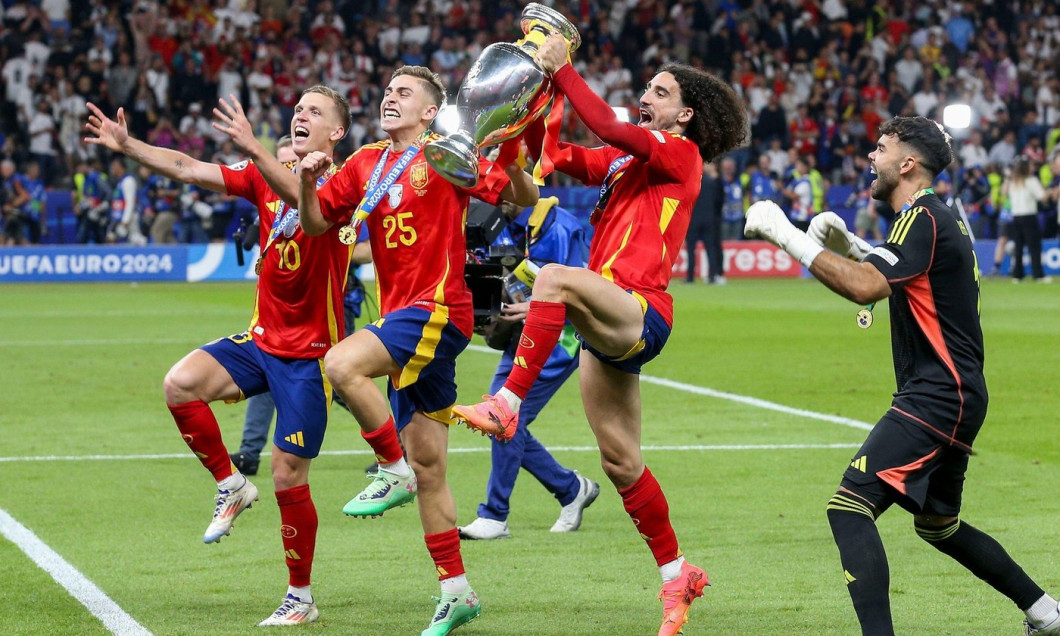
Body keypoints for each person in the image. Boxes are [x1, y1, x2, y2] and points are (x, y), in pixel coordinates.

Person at [454, 34, 746, 636]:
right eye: (645, 88)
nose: (644, 97)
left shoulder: (678, 154)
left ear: (685, 115)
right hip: (607, 321)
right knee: (620, 463)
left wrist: (564, 71)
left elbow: (611, 132)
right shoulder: (627, 164)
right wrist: (530, 104)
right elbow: (557, 153)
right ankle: (677, 575)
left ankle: (506, 405)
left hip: (642, 309)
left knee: (558, 277)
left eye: (658, 92)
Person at [743, 115, 1060, 636]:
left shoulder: (922, 218)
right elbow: (901, 276)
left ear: (907, 163)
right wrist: (850, 246)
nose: (871, 157)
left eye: (881, 148)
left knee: (848, 507)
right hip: (957, 392)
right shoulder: (935, 218)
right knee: (939, 526)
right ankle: (1046, 613)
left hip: (938, 393)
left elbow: (868, 287)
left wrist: (786, 234)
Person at [84, 85, 356, 626]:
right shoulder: (262, 175)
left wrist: (258, 151)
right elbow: (187, 167)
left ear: (337, 133)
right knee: (179, 384)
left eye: (315, 111)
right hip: (260, 342)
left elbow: (314, 217)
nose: (302, 114)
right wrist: (129, 144)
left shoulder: (344, 185)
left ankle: (300, 596)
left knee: (287, 477)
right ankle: (231, 483)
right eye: (298, 108)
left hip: (309, 357)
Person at [294, 65, 538, 636]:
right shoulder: (363, 163)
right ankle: (457, 592)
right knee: (431, 467)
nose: (390, 99)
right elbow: (315, 224)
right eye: (386, 92)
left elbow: (519, 199)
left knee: (340, 364)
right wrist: (307, 180)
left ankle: (388, 467)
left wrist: (520, 160)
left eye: (404, 94)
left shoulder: (447, 153)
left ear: (430, 111)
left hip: (436, 311)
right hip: (402, 319)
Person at [228, 135, 373, 477]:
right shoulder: (271, 196)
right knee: (266, 377)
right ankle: (250, 452)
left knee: (341, 382)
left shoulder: (335, 192)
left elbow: (364, 247)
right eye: (279, 166)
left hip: (331, 307)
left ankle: (392, 441)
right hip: (280, 318)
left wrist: (335, 250)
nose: (283, 172)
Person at [458, 196, 599, 541]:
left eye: (494, 189)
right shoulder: (495, 224)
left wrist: (536, 306)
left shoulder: (561, 226)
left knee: (504, 419)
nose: (486, 197)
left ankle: (494, 515)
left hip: (559, 341)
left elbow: (581, 290)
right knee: (501, 420)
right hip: (520, 338)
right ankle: (570, 488)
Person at [1002, 156, 1052, 283]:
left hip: (1016, 217)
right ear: (1026, 168)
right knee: (1034, 246)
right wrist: (1050, 191)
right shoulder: (1031, 181)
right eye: (1030, 165)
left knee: (1019, 246)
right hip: (1029, 217)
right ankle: (1038, 275)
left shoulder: (1013, 182)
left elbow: (1004, 193)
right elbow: (1042, 197)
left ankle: (1017, 275)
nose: (1033, 167)